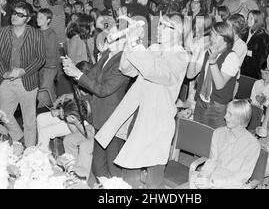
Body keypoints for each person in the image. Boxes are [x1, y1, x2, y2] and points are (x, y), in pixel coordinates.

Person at [95, 13, 189, 189]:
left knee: (153, 178)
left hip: (157, 121)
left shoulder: (180, 55)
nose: (158, 29)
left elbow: (158, 74)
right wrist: (130, 43)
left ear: (177, 32)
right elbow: (128, 70)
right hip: (138, 115)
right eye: (159, 24)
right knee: (129, 170)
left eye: (163, 26)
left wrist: (137, 46)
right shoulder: (154, 47)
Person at [62, 26, 132, 181]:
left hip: (113, 118)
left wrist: (78, 74)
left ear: (124, 41)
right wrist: (72, 68)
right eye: (110, 35)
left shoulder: (124, 61)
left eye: (115, 36)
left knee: (112, 164)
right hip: (99, 116)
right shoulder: (107, 54)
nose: (109, 38)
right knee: (98, 164)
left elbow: (103, 90)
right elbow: (90, 76)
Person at [0, 2, 45, 147]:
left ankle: (30, 152)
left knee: (29, 121)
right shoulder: (3, 32)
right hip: (6, 81)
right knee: (3, 115)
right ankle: (20, 138)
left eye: (20, 15)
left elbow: (41, 59)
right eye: (14, 13)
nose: (15, 16)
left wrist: (23, 71)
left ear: (27, 18)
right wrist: (4, 73)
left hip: (27, 81)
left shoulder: (36, 34)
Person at [190, 99, 261, 189]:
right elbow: (212, 160)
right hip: (212, 178)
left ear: (241, 118)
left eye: (230, 114)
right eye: (226, 112)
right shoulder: (218, 133)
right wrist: (203, 176)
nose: (225, 117)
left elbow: (241, 178)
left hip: (231, 185)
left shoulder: (253, 145)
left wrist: (212, 183)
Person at [187, 21, 240, 129]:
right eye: (211, 34)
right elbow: (190, 75)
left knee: (214, 140)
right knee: (197, 136)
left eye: (216, 35)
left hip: (217, 107)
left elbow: (220, 84)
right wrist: (194, 55)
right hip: (200, 102)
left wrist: (212, 61)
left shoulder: (232, 57)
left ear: (226, 38)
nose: (212, 37)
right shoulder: (208, 52)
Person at [36, 8, 59, 108]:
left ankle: (39, 116)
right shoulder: (36, 32)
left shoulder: (51, 34)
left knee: (42, 94)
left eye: (41, 17)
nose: (38, 19)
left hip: (50, 66)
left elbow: (51, 53)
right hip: (39, 66)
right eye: (37, 17)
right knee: (49, 91)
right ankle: (56, 109)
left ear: (48, 20)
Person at [241, 10, 269, 79]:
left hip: (253, 72)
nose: (248, 20)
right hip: (243, 67)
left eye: (251, 18)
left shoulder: (263, 35)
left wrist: (248, 52)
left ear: (257, 20)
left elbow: (263, 56)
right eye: (248, 18)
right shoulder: (245, 32)